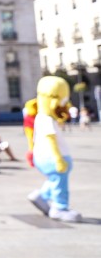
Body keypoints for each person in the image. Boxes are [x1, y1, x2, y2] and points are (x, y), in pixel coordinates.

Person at [28, 76, 82, 222]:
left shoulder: (41, 117)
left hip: (43, 156)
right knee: (60, 182)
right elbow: (51, 139)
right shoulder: (46, 119)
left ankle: (41, 196)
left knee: (55, 180)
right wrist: (58, 158)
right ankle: (60, 208)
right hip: (51, 157)